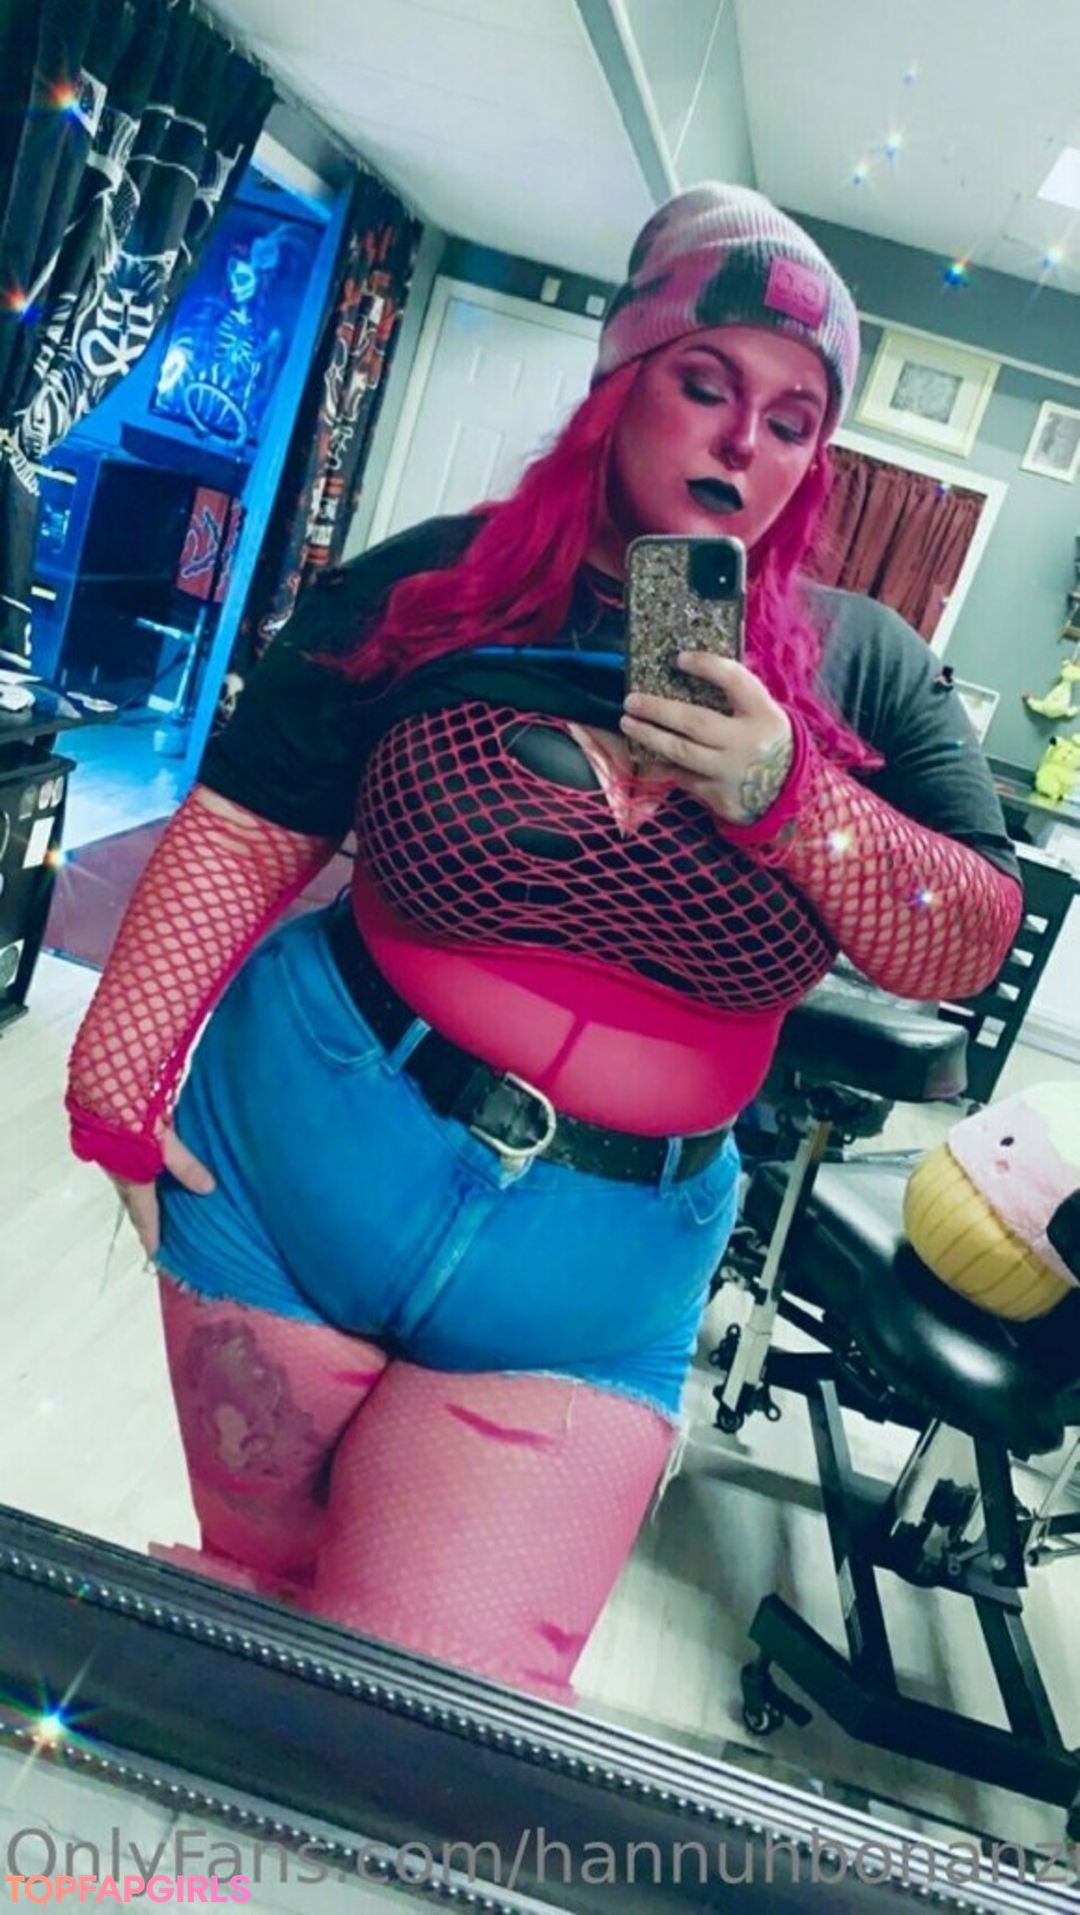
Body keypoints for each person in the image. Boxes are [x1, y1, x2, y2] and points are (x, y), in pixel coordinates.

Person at [65, 183, 1023, 1702]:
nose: (743, 443)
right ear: (620, 381)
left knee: (426, 1711)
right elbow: (249, 826)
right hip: (294, 1175)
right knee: (249, 1620)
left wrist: (792, 797)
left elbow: (966, 940)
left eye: (791, 421)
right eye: (705, 384)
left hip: (589, 1288)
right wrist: (114, 1084)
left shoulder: (871, 671)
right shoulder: (433, 588)